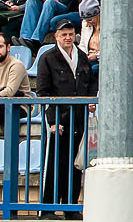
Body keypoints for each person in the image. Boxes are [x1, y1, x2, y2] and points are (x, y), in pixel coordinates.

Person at [33, 13, 93, 207]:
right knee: (54, 163)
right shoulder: (47, 58)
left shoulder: (81, 56)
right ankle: (49, 205)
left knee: (76, 163)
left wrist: (91, 100)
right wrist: (52, 121)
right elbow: (43, 92)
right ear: (56, 36)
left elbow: (90, 82)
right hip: (59, 117)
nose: (68, 37)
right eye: (64, 34)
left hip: (79, 116)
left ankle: (71, 205)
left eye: (71, 33)